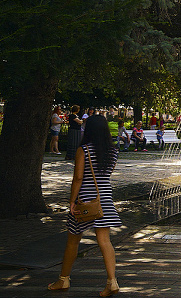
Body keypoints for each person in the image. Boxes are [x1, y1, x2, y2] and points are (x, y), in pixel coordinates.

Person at [48, 114, 122, 296]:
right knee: (105, 241)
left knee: (73, 240)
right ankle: (112, 281)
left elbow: (78, 178)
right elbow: (106, 174)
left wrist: (71, 201)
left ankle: (63, 279)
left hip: (84, 201)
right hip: (104, 198)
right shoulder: (113, 151)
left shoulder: (84, 150)